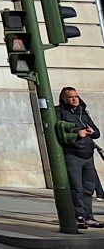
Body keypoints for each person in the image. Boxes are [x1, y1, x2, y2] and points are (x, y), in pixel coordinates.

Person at [56, 86, 101, 228]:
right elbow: (59, 131)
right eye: (71, 97)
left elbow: (97, 133)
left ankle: (89, 217)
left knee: (89, 187)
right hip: (73, 154)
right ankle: (78, 217)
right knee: (76, 187)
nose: (75, 99)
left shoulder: (83, 111)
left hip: (88, 154)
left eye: (76, 96)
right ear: (64, 99)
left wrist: (92, 132)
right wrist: (77, 133)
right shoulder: (59, 112)